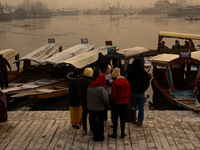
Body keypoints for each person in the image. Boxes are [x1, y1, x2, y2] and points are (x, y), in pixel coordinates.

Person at [109, 67, 131, 139]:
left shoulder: (114, 83)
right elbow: (129, 94)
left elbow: (113, 95)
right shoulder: (127, 83)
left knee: (115, 119)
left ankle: (114, 133)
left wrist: (112, 101)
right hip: (124, 103)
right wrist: (128, 102)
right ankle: (122, 133)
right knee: (123, 119)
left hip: (116, 103)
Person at [127, 59, 150, 127]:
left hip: (133, 93)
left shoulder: (131, 73)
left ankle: (133, 119)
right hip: (141, 93)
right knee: (141, 108)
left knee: (133, 107)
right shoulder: (143, 73)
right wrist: (143, 89)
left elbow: (128, 83)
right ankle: (140, 121)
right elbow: (147, 83)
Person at [87, 74, 109, 141]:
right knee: (100, 122)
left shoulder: (89, 88)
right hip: (100, 108)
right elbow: (106, 100)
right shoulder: (102, 89)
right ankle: (101, 136)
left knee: (94, 122)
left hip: (91, 108)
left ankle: (95, 136)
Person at [77, 67, 95, 135]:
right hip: (90, 101)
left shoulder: (79, 80)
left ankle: (84, 129)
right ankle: (91, 130)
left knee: (84, 115)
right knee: (91, 116)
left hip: (82, 100)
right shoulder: (91, 82)